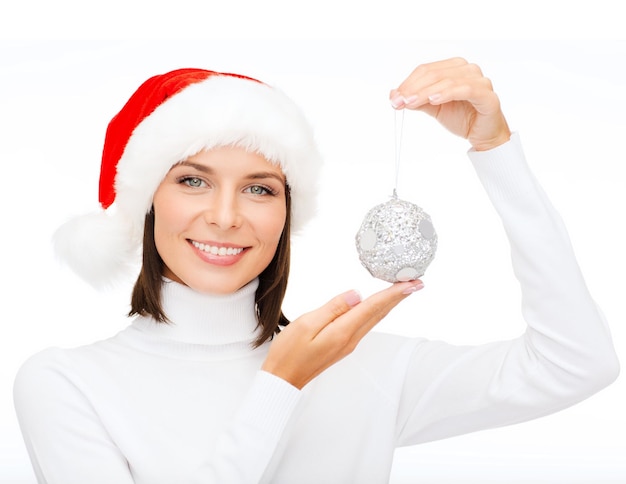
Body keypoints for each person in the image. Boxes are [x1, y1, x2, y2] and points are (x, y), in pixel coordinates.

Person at [13, 58, 619, 484]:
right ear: (145, 201)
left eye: (259, 188)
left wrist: (496, 151)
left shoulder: (367, 368)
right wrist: (280, 385)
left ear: (285, 212)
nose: (225, 217)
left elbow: (577, 363)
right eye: (192, 180)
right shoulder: (66, 384)